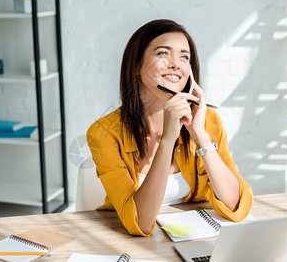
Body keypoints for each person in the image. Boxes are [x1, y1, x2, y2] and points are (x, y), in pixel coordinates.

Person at [86, 19, 253, 236]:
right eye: (163, 53)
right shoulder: (103, 133)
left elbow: (235, 205)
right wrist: (167, 139)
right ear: (136, 66)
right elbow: (141, 223)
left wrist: (200, 135)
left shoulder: (208, 120)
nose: (176, 64)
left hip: (196, 237)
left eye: (184, 57)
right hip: (133, 244)